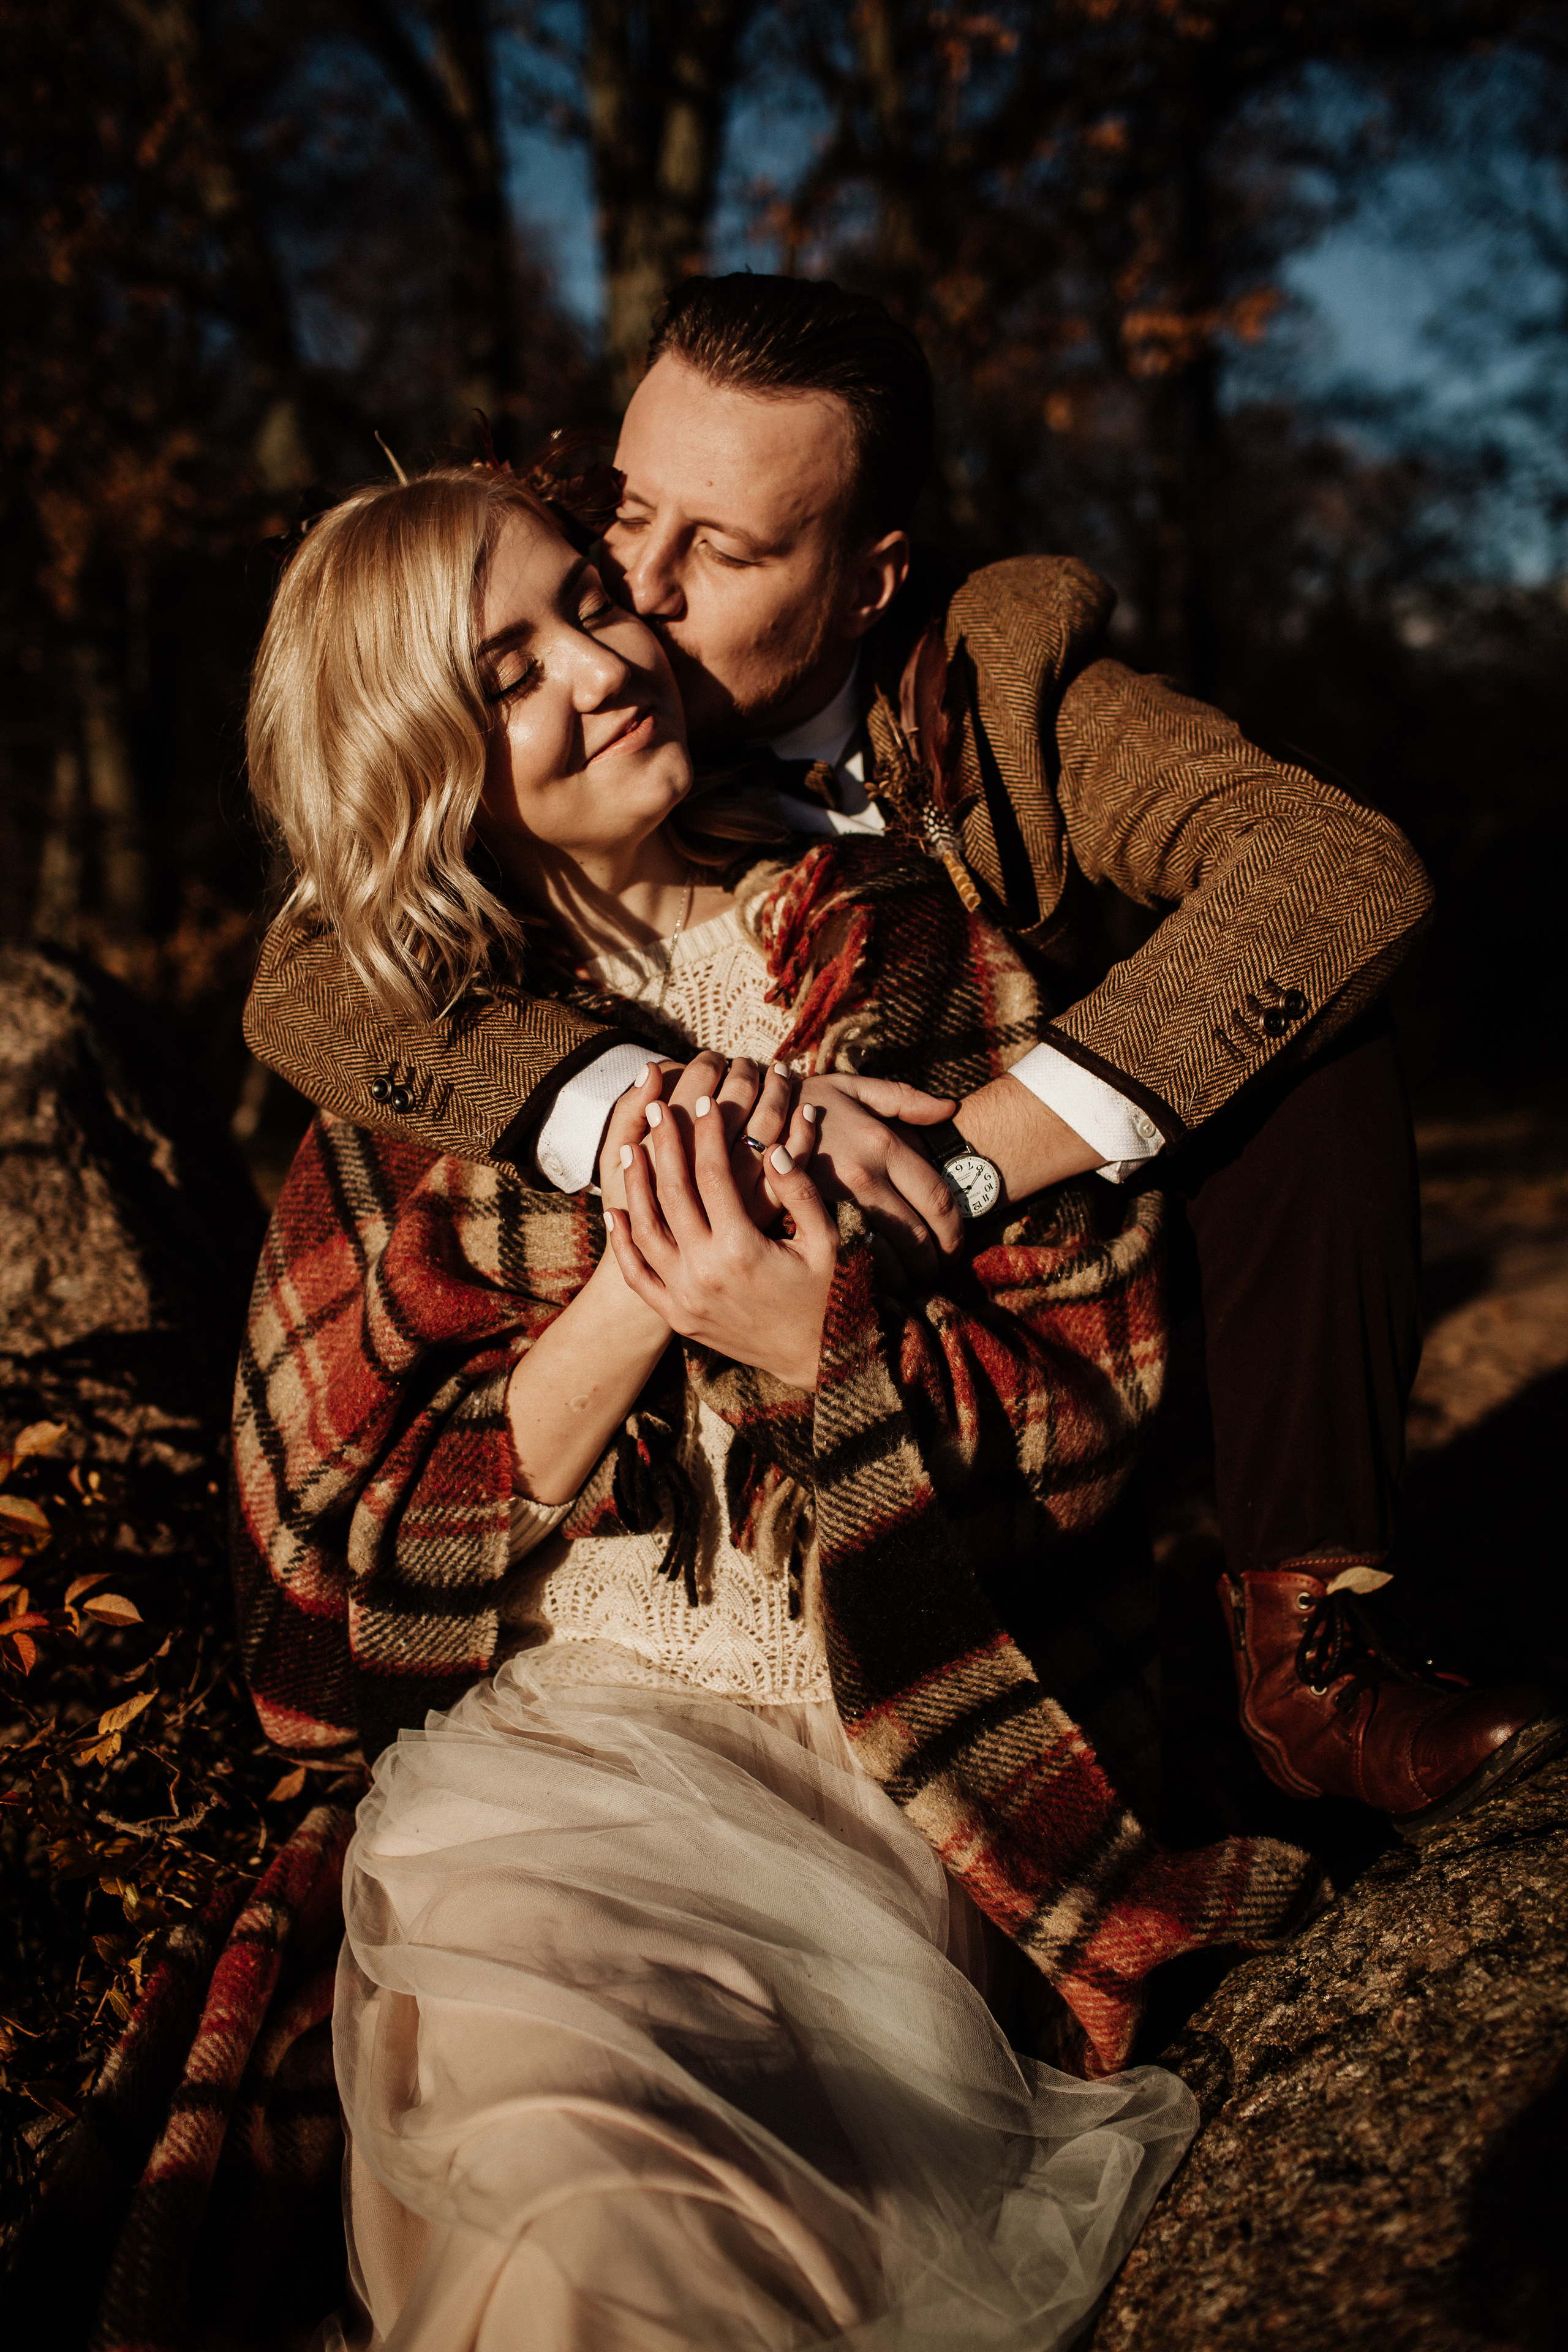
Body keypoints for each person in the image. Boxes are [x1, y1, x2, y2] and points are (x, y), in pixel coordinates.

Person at [243, 273, 1561, 1830]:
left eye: (721, 550)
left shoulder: (1000, 696)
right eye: (625, 516)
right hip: (719, 1433)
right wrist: (642, 1110)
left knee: (1318, 1047)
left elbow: (1335, 872)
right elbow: (312, 969)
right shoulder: (564, 709)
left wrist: (952, 1155)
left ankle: (1304, 1636)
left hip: (1078, 1274)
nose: (639, 594)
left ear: (866, 585)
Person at [232, 464, 1321, 2348]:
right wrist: (641, 1300)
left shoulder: (907, 948)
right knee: (568, 2186)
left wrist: (812, 1323)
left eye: (593, 598)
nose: (604, 662)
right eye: (512, 671)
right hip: (557, 1771)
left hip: (901, 1753)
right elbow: (313, 1627)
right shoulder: (406, 1077)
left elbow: (1095, 1418)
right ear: (423, 760)